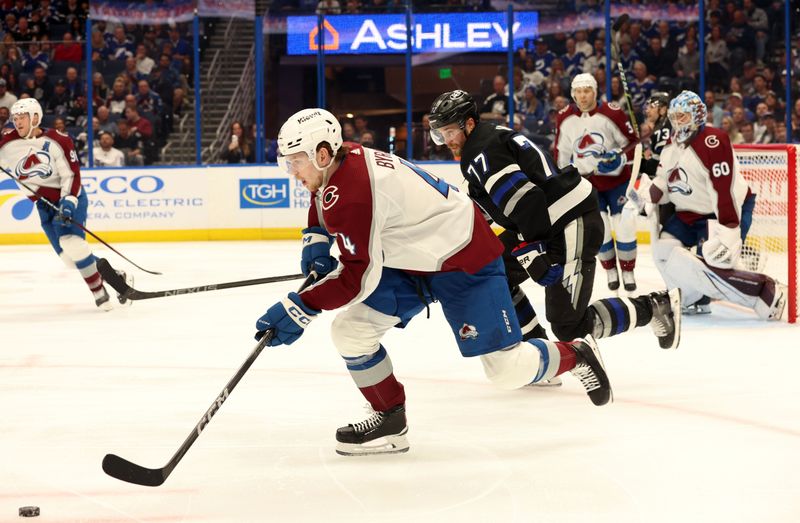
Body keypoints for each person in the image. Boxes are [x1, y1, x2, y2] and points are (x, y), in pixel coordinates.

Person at [254, 108, 614, 456]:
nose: (291, 171)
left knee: (505, 370)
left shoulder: (354, 190)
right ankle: (391, 419)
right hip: (414, 260)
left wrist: (300, 306)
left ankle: (576, 353)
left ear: (320, 153)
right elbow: (322, 197)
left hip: (463, 258)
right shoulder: (341, 157)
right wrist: (315, 234)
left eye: (295, 161)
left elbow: (356, 278)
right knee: (350, 332)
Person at [427, 89, 680, 358]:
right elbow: (502, 207)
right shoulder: (488, 138)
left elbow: (525, 199)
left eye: (450, 131)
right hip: (551, 220)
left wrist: (529, 249)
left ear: (469, 124)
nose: (446, 140)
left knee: (569, 326)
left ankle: (655, 307)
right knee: (493, 271)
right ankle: (539, 353)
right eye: (440, 133)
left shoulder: (479, 151)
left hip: (571, 221)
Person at [633, 90, 783, 319]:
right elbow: (663, 180)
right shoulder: (672, 145)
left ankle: (765, 291)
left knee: (714, 262)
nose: (676, 122)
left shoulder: (714, 141)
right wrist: (647, 198)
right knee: (663, 251)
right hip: (688, 215)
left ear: (697, 116)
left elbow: (725, 191)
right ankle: (694, 297)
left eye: (682, 116)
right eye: (674, 117)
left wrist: (730, 231)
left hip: (721, 212)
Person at [0, 98, 127, 309]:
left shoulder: (59, 140)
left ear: (35, 117)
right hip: (43, 204)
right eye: (15, 118)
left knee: (72, 243)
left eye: (22, 117)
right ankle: (115, 276)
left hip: (69, 198)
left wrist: (68, 202)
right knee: (69, 259)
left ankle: (99, 293)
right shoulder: (6, 143)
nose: (18, 122)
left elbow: (72, 175)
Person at [554, 73, 640, 292]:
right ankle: (611, 271)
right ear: (573, 94)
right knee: (600, 230)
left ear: (595, 92)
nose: (582, 97)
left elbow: (632, 145)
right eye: (578, 92)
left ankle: (628, 271)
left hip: (618, 182)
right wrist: (565, 181)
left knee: (625, 226)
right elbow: (562, 154)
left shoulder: (612, 112)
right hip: (588, 185)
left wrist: (618, 158)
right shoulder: (564, 118)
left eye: (587, 91)